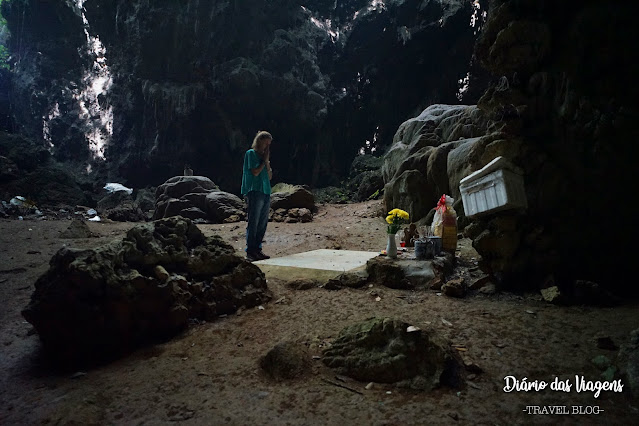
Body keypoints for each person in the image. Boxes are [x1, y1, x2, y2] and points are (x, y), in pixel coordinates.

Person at [241, 130, 273, 262]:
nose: (267, 147)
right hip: (254, 190)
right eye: (266, 143)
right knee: (254, 221)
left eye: (269, 144)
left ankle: (258, 249)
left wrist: (267, 163)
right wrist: (263, 162)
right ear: (260, 142)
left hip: (265, 190)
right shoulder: (251, 154)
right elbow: (254, 172)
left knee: (262, 222)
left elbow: (269, 176)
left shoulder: (263, 157)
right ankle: (250, 250)